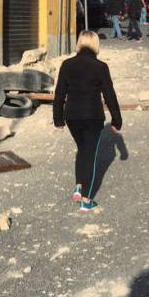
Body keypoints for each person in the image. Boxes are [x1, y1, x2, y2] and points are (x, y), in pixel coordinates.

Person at [53, 30, 123, 213]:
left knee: (82, 150)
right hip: (93, 115)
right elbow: (109, 95)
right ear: (95, 44)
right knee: (90, 156)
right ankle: (86, 199)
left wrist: (58, 120)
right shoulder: (100, 66)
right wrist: (117, 120)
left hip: (72, 117)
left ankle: (79, 186)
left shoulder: (67, 64)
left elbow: (59, 93)